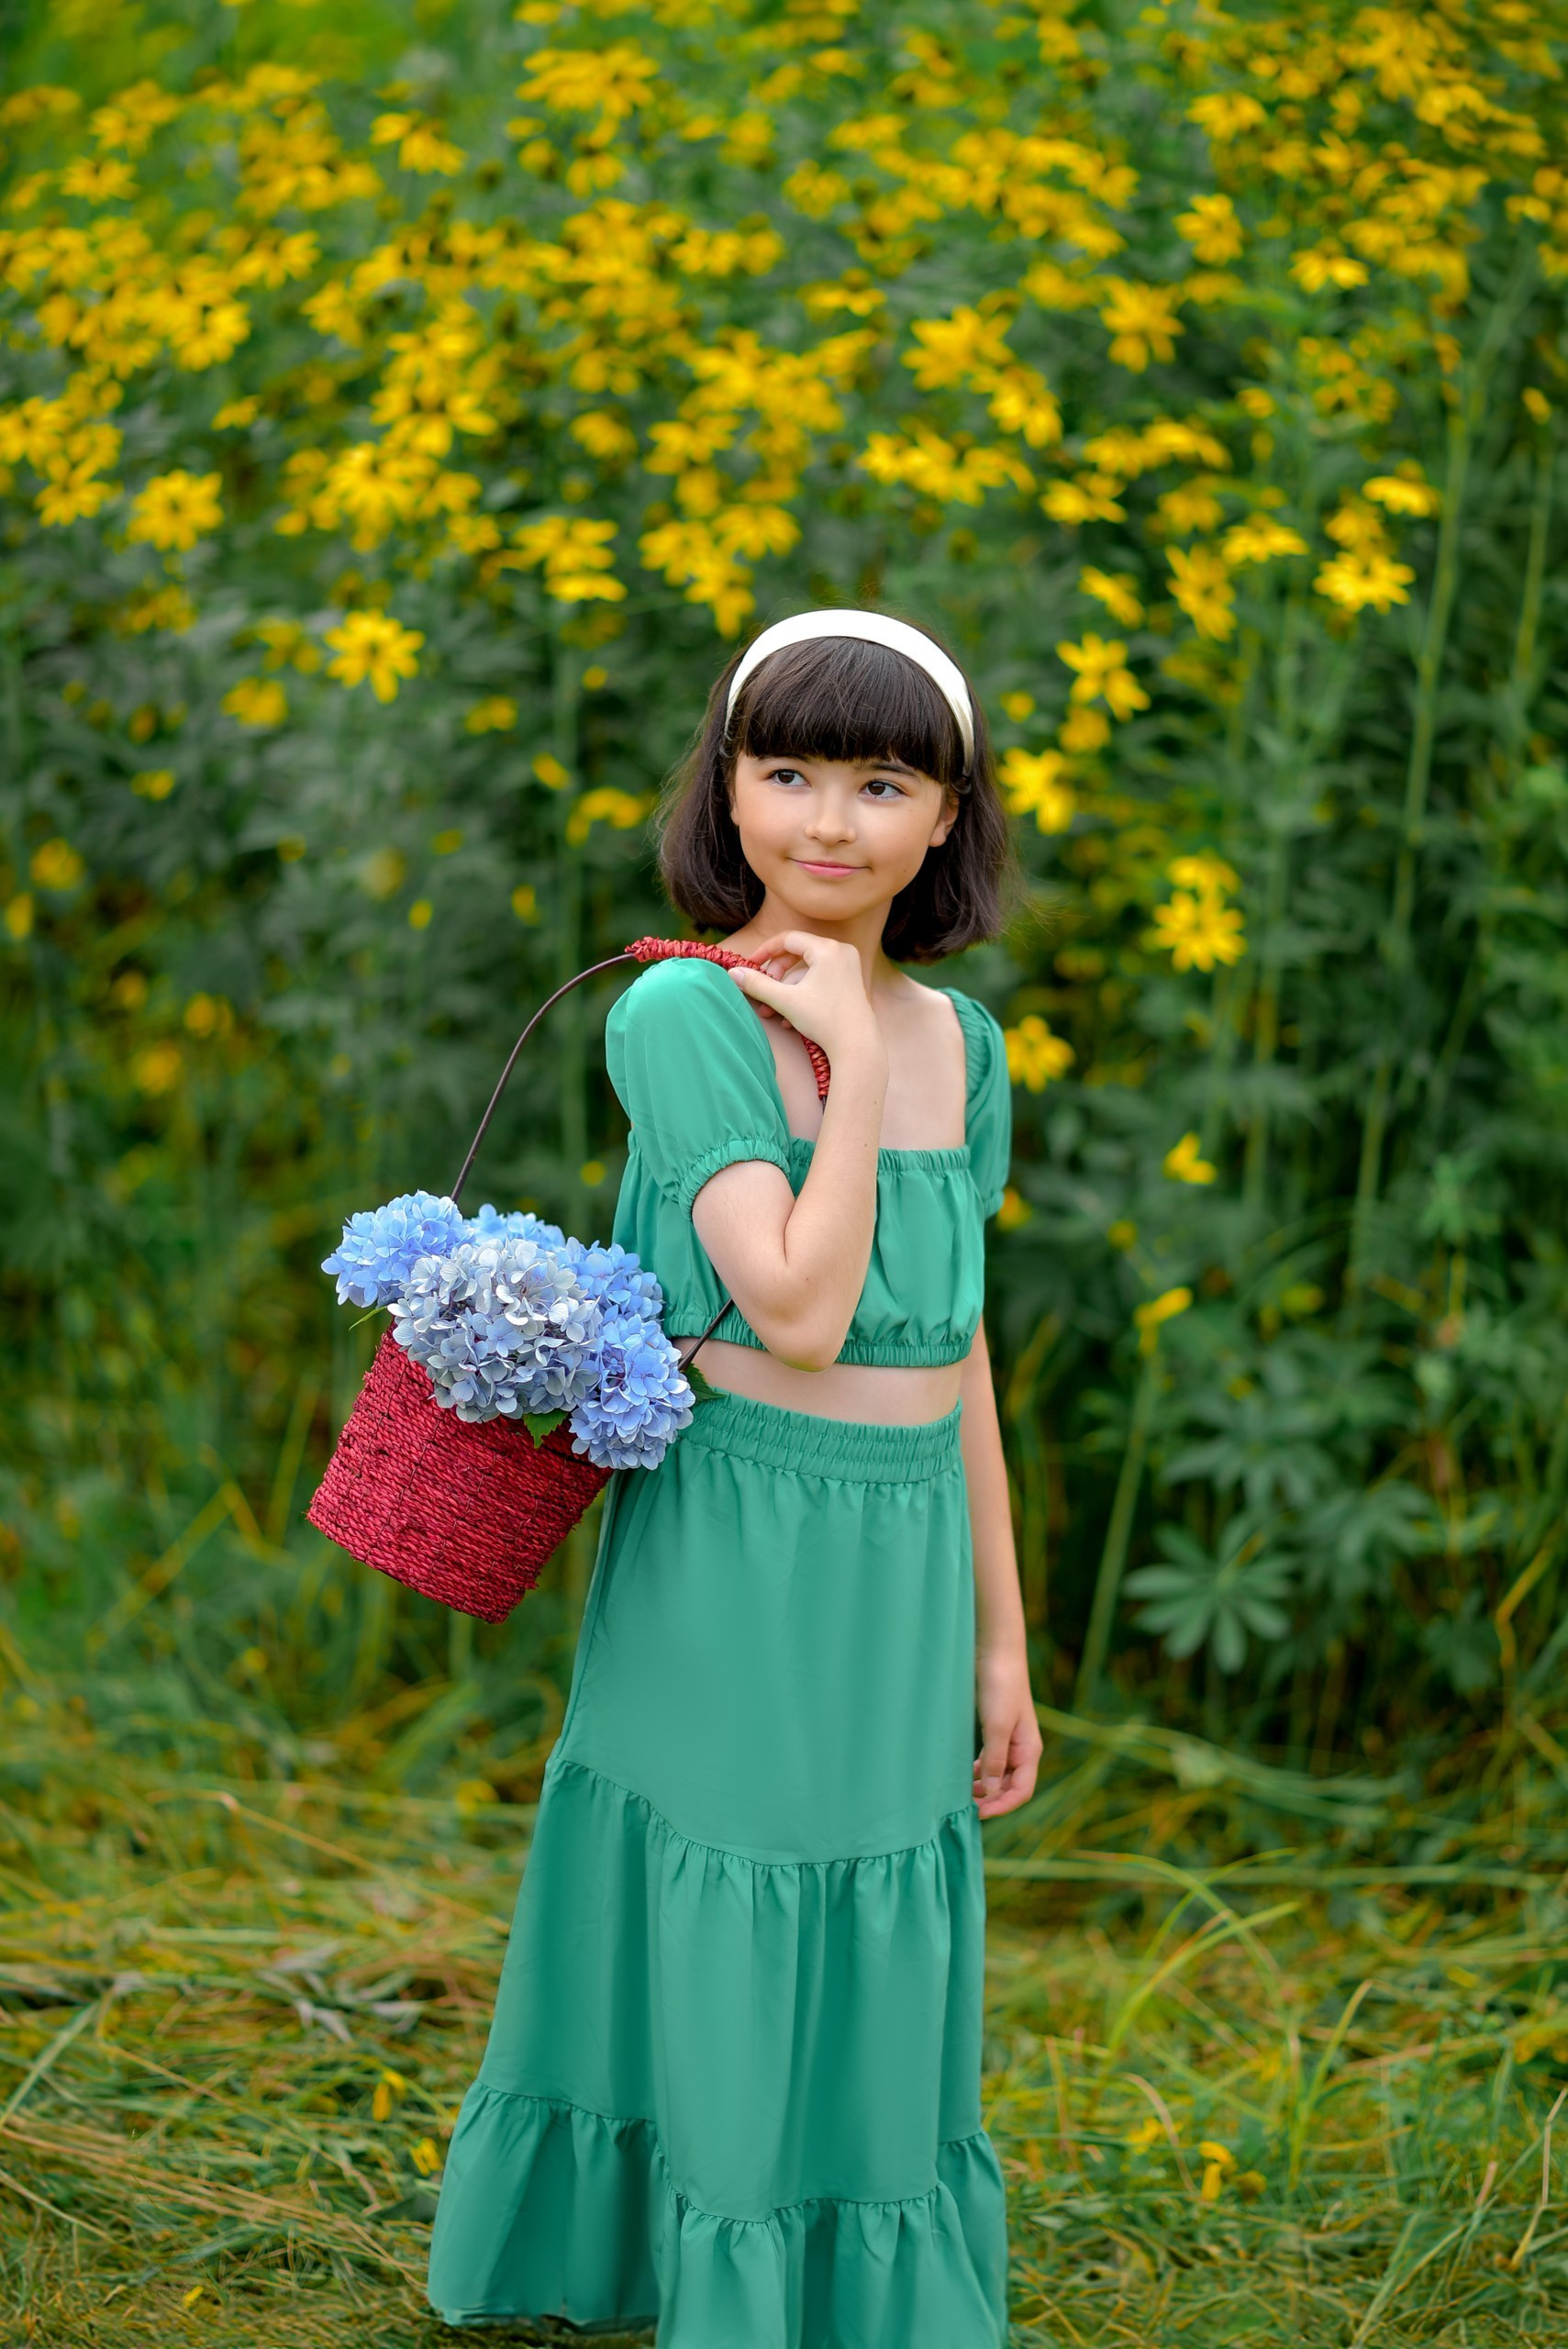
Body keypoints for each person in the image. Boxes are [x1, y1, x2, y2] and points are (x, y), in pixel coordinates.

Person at [427, 609, 1042, 2345]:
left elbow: (950, 1348)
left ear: (946, 818)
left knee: (868, 1881)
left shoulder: (966, 1045)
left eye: (878, 782)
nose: (827, 823)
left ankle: (849, 2277)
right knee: (734, 1874)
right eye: (785, 774)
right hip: (739, 1535)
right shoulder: (686, 1017)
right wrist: (840, 1064)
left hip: (901, 1546)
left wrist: (1002, 1636)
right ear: (726, 788)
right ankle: (707, 2274)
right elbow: (795, 1299)